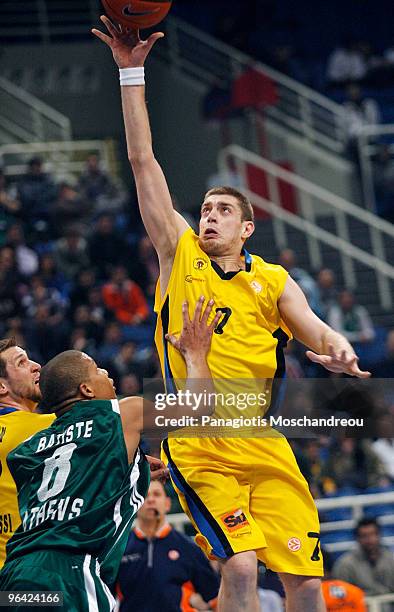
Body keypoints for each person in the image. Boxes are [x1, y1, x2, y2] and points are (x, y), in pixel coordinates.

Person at [93, 17, 371, 612]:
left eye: (223, 210)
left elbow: (315, 327)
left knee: (304, 582)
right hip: (199, 442)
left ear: (247, 227)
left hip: (263, 440)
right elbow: (142, 161)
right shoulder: (178, 251)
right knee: (240, 568)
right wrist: (131, 72)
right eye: (205, 207)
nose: (209, 215)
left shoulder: (272, 279)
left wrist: (339, 344)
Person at [0, 298, 221, 610]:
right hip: (72, 571)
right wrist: (197, 353)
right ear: (87, 391)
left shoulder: (31, 447)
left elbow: (74, 469)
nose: (107, 372)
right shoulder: (119, 412)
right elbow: (200, 406)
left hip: (15, 577)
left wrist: (135, 468)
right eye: (97, 369)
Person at [116, 480, 220, 611]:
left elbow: (213, 595)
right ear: (135, 503)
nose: (151, 500)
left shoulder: (188, 548)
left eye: (157, 494)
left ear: (167, 504)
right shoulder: (119, 549)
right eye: (145, 495)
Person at [0, 337, 55, 568]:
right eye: (22, 363)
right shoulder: (39, 428)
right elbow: (166, 415)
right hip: (29, 582)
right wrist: (179, 361)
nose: (36, 366)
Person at [332, 518, 394, 607]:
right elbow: (340, 597)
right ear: (357, 538)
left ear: (379, 535)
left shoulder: (391, 559)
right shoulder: (345, 564)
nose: (370, 540)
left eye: (373, 534)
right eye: (364, 536)